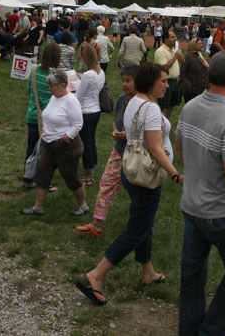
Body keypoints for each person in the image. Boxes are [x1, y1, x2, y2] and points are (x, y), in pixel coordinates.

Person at [76, 62, 181, 306]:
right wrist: (176, 174)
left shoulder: (134, 101)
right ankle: (97, 274)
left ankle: (148, 272)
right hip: (147, 176)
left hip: (131, 171)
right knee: (137, 229)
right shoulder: (152, 109)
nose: (167, 85)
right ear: (150, 82)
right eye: (163, 81)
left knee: (144, 223)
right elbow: (155, 148)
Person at [176, 52, 225, 335]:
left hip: (192, 205)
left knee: (193, 276)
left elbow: (182, 154)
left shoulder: (191, 107)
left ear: (208, 76)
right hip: (222, 212)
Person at [75, 65, 138, 236]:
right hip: (119, 150)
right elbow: (116, 120)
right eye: (123, 80)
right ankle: (97, 224)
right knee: (107, 184)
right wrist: (115, 131)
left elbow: (149, 132)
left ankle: (139, 225)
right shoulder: (121, 99)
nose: (124, 84)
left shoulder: (144, 104)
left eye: (129, 81)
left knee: (138, 191)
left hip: (137, 155)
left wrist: (130, 135)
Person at [21, 70, 88, 216]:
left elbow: (77, 124)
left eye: (53, 86)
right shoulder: (55, 97)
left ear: (63, 85)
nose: (50, 89)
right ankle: (38, 207)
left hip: (66, 147)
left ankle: (83, 205)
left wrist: (65, 138)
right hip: (49, 144)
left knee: (71, 177)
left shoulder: (71, 101)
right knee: (42, 173)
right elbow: (49, 115)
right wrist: (45, 131)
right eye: (50, 86)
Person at [23, 43, 61, 189]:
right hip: (50, 120)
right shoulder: (57, 75)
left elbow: (29, 90)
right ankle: (44, 181)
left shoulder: (34, 70)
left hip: (33, 114)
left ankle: (27, 178)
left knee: (31, 148)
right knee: (47, 153)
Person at [77, 45, 106, 186]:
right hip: (96, 110)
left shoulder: (88, 75)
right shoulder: (100, 72)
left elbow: (78, 96)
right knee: (91, 141)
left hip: (85, 111)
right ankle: (93, 166)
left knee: (85, 144)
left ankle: (88, 175)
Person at [154, 28, 185, 119]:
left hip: (175, 81)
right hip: (165, 81)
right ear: (166, 39)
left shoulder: (174, 50)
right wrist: (175, 56)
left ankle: (166, 123)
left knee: (172, 104)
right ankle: (159, 124)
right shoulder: (161, 51)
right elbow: (164, 68)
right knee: (163, 106)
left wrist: (178, 54)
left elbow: (183, 60)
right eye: (172, 37)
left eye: (175, 37)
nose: (175, 39)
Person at [179, 36, 210, 103]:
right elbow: (182, 72)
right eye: (199, 44)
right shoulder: (188, 57)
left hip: (203, 89)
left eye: (201, 43)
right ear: (193, 45)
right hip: (192, 90)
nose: (201, 45)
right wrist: (188, 85)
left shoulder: (202, 56)